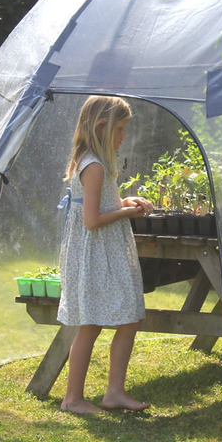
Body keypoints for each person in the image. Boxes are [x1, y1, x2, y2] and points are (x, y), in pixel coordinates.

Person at [56, 95, 155, 414]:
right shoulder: (94, 166)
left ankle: (114, 393)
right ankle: (72, 399)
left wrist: (124, 202)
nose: (124, 136)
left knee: (129, 318)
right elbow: (92, 220)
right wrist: (126, 214)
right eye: (121, 129)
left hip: (101, 251)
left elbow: (98, 205)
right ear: (102, 127)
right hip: (95, 253)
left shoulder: (95, 161)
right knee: (90, 324)